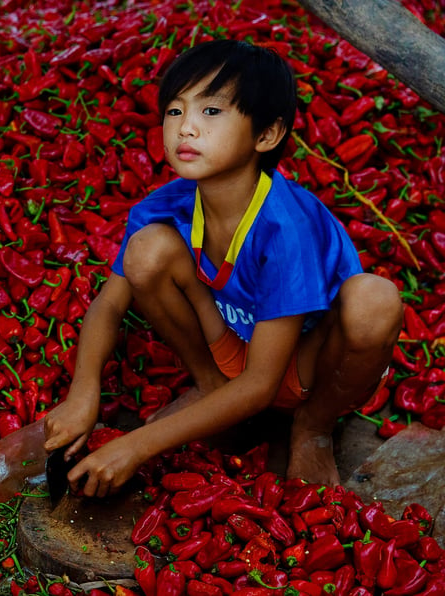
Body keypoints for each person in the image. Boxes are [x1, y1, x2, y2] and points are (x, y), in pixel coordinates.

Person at [42, 39, 402, 493]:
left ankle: (313, 427)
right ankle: (210, 384)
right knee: (146, 250)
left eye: (210, 112)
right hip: (229, 350)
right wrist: (84, 391)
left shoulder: (285, 228)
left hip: (302, 368)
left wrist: (135, 445)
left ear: (266, 135)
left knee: (376, 299)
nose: (185, 128)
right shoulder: (163, 207)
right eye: (175, 111)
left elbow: (260, 386)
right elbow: (111, 305)